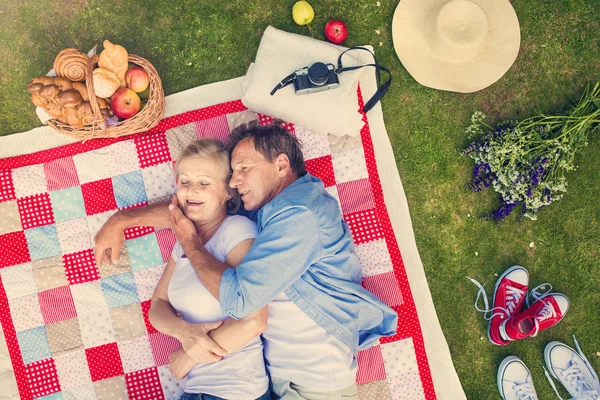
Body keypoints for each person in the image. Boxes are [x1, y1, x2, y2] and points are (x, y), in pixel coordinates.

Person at [95, 122, 398, 399]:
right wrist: (121, 220)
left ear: (281, 164)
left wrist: (190, 352)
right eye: (232, 174)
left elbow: (241, 301)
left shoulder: (299, 212)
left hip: (317, 379)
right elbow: (196, 210)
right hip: (278, 380)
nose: (236, 180)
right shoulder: (266, 208)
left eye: (242, 167)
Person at [147, 138, 271, 400]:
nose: (192, 190)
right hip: (195, 391)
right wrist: (182, 331)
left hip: (237, 391)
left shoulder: (236, 231)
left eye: (204, 183)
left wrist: (188, 354)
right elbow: (158, 305)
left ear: (228, 192)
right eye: (185, 182)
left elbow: (254, 320)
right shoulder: (183, 241)